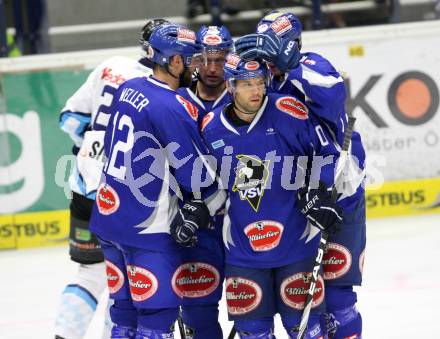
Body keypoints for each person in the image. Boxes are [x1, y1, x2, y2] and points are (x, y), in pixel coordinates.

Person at [235, 11, 366, 338]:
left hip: (336, 195)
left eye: (273, 48)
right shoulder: (262, 82)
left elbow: (334, 94)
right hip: (292, 202)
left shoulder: (313, 65)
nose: (267, 57)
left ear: (292, 45)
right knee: (299, 302)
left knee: (338, 299)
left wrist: (290, 63)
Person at [89, 23, 223, 338]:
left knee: (123, 315)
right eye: (191, 59)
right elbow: (196, 177)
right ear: (173, 62)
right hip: (147, 228)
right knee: (156, 317)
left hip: (109, 221)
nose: (197, 66)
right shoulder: (172, 107)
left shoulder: (129, 87)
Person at [201, 53, 343, 338]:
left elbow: (329, 152)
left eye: (259, 82)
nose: (256, 90)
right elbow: (208, 183)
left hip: (297, 244)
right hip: (242, 251)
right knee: (253, 333)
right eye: (246, 84)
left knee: (306, 331)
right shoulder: (210, 126)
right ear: (230, 86)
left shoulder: (288, 111)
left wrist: (318, 187)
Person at [55, 18, 169, 339]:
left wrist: (90, 144)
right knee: (126, 278)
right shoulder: (163, 85)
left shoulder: (110, 66)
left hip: (84, 188)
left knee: (89, 273)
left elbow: (69, 118)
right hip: (125, 195)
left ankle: (63, 335)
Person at [173, 24, 232, 339]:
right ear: (192, 60)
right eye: (205, 59)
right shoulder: (176, 101)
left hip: (241, 223)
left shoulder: (245, 97)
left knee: (253, 314)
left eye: (220, 60)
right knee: (200, 318)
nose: (211, 68)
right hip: (196, 227)